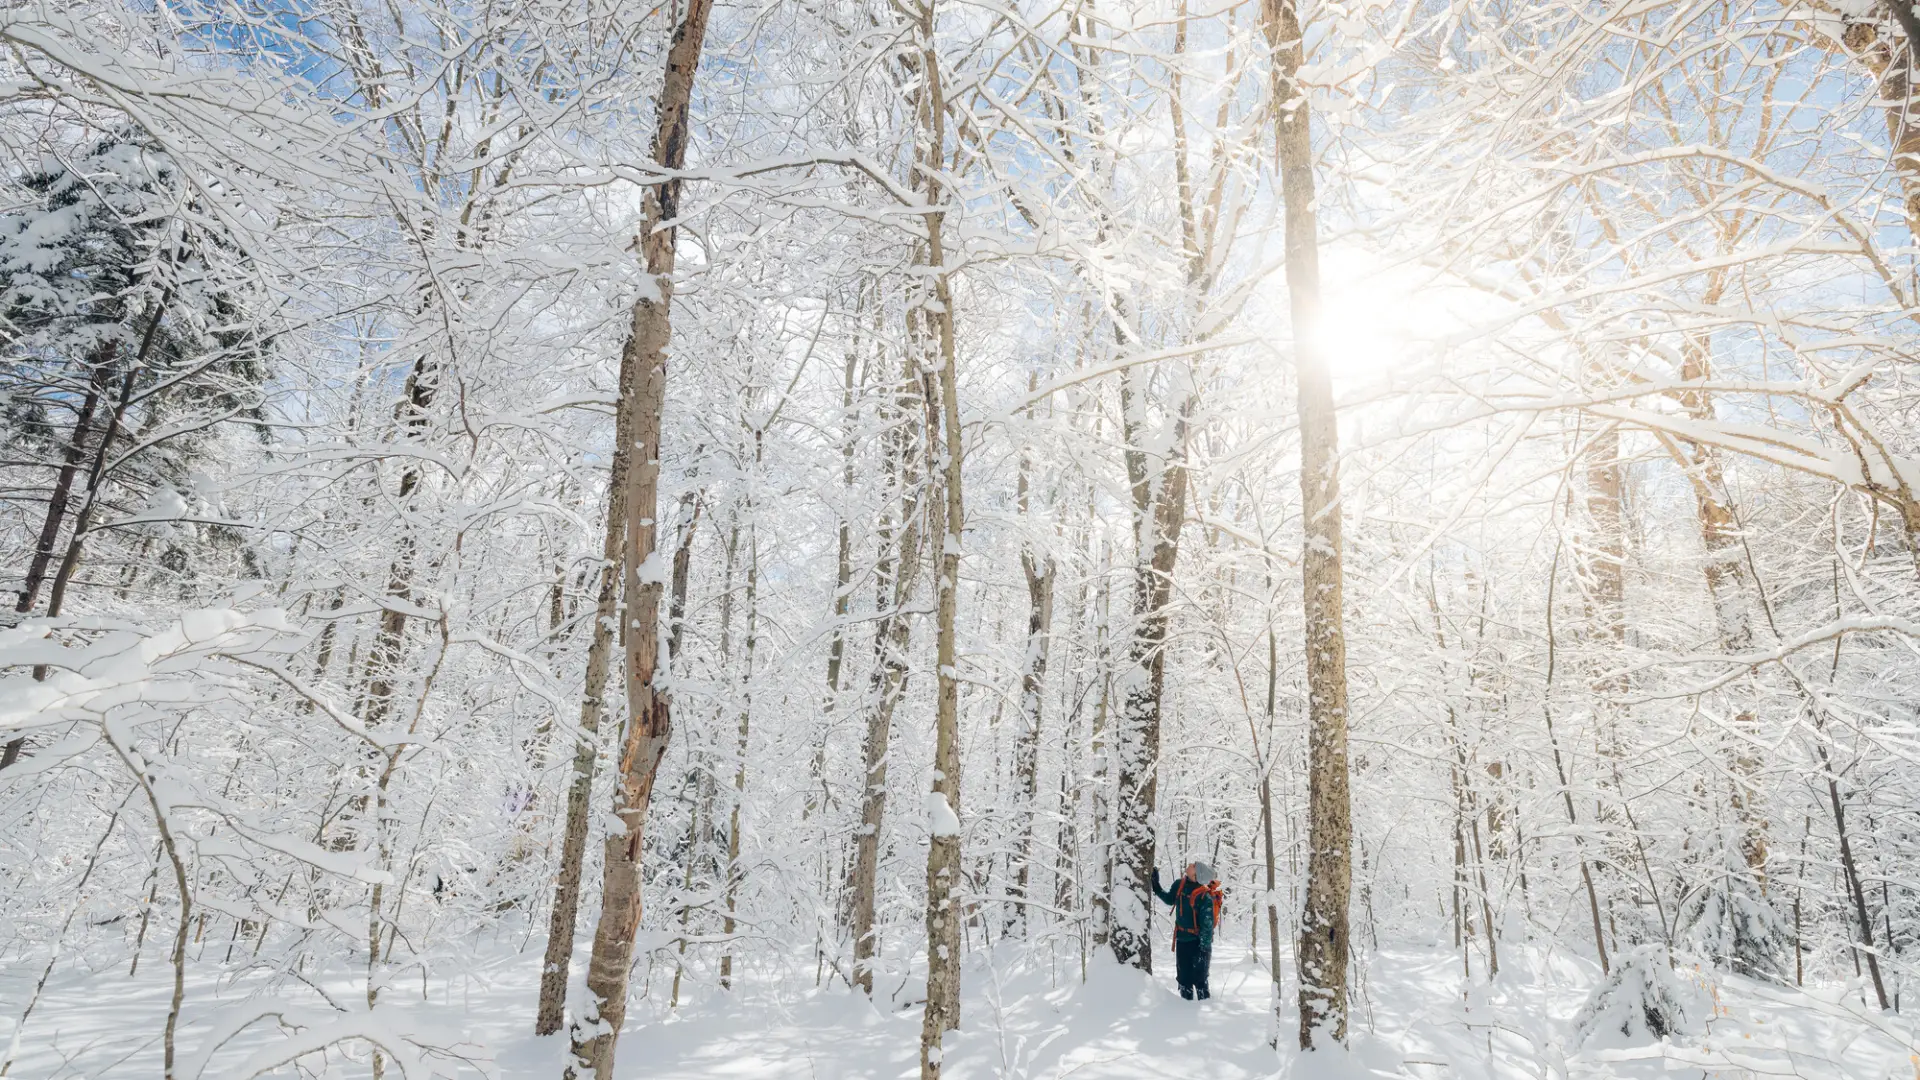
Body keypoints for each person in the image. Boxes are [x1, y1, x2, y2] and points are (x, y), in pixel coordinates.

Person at [1152, 861, 1223, 1000]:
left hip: (1199, 943)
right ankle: (1185, 1012)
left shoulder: (1205, 897)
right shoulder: (1180, 884)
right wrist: (1156, 886)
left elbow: (1207, 927)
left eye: (1194, 865)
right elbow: (1170, 899)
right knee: (1184, 981)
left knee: (1201, 981)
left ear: (1196, 875)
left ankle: (1205, 1011)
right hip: (1182, 940)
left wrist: (1203, 950)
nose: (1190, 864)